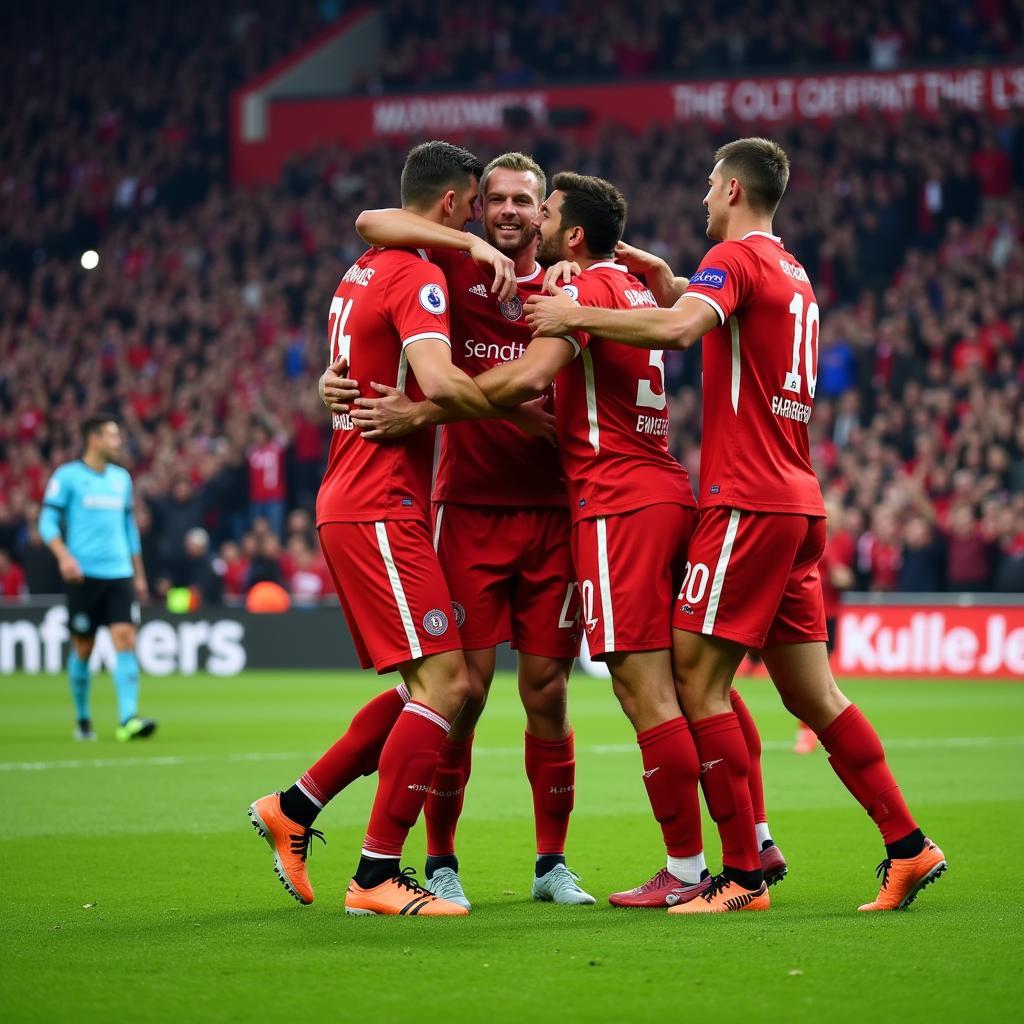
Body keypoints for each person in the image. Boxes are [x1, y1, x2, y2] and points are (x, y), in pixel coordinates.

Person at [526, 137, 946, 913]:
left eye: (707, 188)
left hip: (745, 500)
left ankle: (742, 873)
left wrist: (575, 309)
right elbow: (715, 307)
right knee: (814, 695)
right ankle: (908, 845)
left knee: (695, 679)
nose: (700, 200)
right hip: (799, 499)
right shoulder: (790, 270)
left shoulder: (734, 261)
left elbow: (684, 330)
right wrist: (663, 276)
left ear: (729, 188)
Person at [443, 170, 783, 908]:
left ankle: (691, 870)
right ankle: (751, 840)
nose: (532, 228)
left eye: (548, 216)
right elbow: (651, 294)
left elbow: (528, 375)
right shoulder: (632, 288)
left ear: (569, 234)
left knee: (643, 690)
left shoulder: (589, 294)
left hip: (614, 502)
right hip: (667, 490)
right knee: (702, 684)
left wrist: (427, 405)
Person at [247, 140, 544, 917]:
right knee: (448, 685)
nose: (483, 217)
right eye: (477, 205)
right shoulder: (417, 275)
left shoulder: (363, 267)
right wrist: (526, 408)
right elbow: (442, 382)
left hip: (363, 498)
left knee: (438, 685)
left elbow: (374, 224)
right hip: (380, 503)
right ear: (454, 203)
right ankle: (377, 873)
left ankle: (296, 807)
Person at [344, 151, 592, 909]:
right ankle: (441, 858)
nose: (512, 211)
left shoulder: (570, 282)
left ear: (545, 210)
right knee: (468, 692)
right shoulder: (447, 271)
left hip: (556, 512)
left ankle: (552, 864)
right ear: (475, 207)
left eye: (526, 199)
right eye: (498, 200)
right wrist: (469, 248)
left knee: (547, 690)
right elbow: (372, 221)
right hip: (469, 510)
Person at [38, 416, 156, 742]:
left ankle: (127, 720)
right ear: (93, 439)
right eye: (112, 436)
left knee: (125, 640)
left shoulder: (122, 479)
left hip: (119, 572)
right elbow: (46, 522)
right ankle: (83, 719)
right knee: (83, 648)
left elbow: (129, 530)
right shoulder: (68, 477)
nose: (119, 442)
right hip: (83, 575)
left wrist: (139, 574)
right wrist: (64, 556)